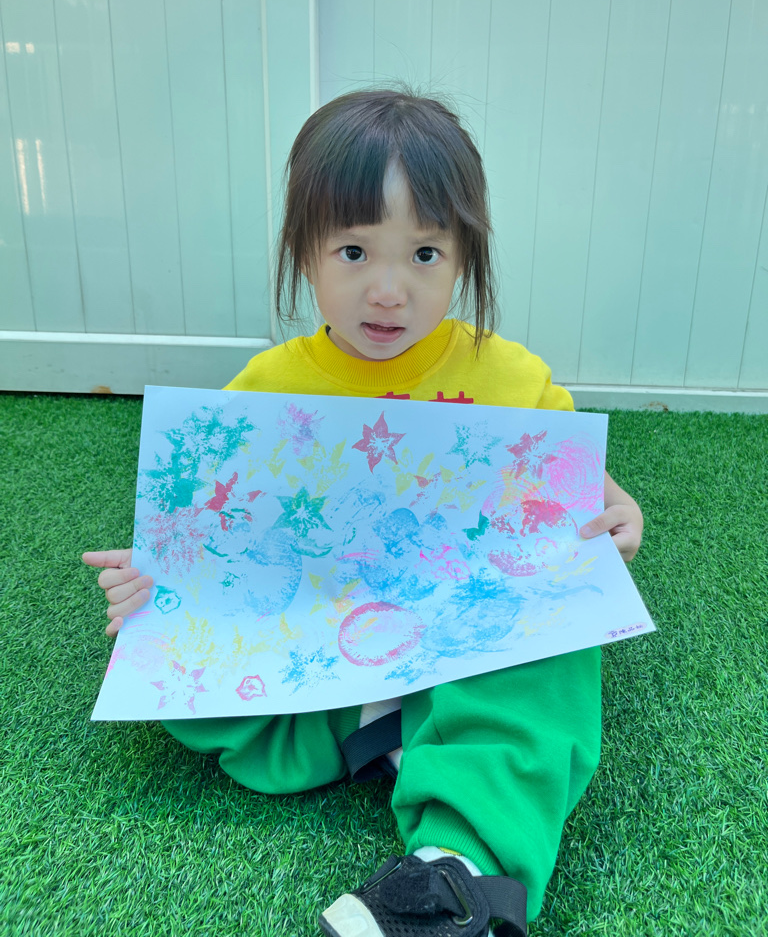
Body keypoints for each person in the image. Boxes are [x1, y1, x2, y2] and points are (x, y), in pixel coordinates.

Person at [83, 89, 643, 937]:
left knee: (555, 642)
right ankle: (390, 725)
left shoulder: (512, 379)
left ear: (464, 258)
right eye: (354, 251)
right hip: (323, 649)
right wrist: (155, 582)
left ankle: (457, 874)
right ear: (305, 253)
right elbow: (211, 543)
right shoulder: (262, 392)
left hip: (466, 625)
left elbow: (577, 489)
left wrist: (618, 509)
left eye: (425, 253)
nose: (388, 291)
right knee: (171, 659)